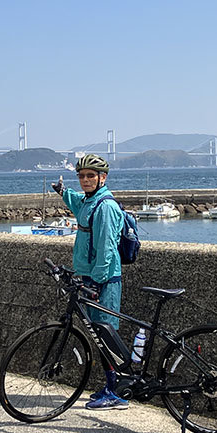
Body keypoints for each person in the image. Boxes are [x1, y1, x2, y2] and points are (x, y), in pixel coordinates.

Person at [52, 154, 128, 411]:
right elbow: (77, 204)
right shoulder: (89, 201)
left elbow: (106, 248)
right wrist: (63, 191)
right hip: (88, 276)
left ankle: (117, 391)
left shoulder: (105, 206)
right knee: (98, 333)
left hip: (103, 279)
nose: (85, 180)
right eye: (82, 176)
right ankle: (110, 384)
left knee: (106, 333)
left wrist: (96, 282)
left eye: (90, 176)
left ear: (102, 178)